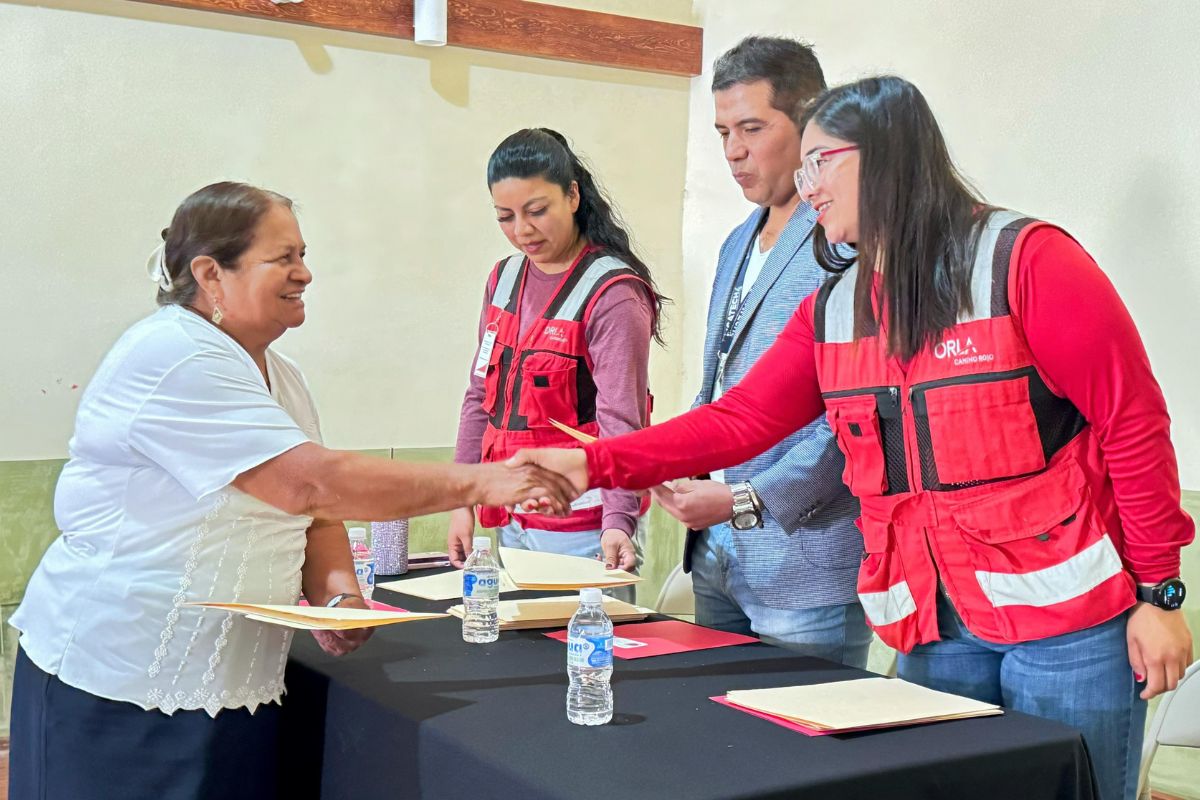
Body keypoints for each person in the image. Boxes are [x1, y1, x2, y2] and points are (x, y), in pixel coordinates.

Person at [513, 77, 1194, 800]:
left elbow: (1133, 423)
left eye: (821, 163)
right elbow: (737, 421)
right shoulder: (836, 305)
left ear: (890, 158)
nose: (807, 188)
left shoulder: (1025, 261)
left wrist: (1160, 594)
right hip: (937, 626)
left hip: (1072, 629)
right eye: (802, 168)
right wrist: (593, 463)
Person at [7, 181, 577, 800]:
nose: (305, 274)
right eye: (284, 258)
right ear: (210, 273)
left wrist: (336, 596)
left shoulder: (279, 373)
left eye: (303, 255)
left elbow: (315, 517)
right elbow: (310, 485)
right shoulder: (175, 355)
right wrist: (494, 478)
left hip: (236, 684)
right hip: (128, 681)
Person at [649, 36, 868, 665]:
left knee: (808, 754)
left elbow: (850, 416)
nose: (733, 151)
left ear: (811, 124)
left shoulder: (845, 241)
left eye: (751, 127)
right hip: (717, 550)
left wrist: (747, 499)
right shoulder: (736, 241)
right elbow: (720, 386)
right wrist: (681, 458)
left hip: (805, 559)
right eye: (722, 132)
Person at [447, 128, 667, 588]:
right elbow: (478, 397)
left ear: (572, 195)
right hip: (511, 514)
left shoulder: (613, 294)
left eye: (537, 211)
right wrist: (461, 499)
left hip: (583, 525)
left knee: (581, 653)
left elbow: (622, 418)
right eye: (505, 216)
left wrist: (618, 520)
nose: (522, 230)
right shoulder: (504, 279)